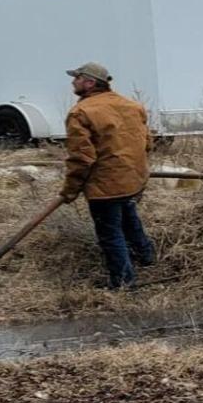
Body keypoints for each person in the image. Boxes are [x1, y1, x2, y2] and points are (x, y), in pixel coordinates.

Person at [59, 62, 155, 290]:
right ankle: (147, 257)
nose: (73, 81)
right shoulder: (132, 106)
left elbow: (82, 159)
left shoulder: (80, 113)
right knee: (129, 219)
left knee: (110, 234)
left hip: (105, 187)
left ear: (90, 83)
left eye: (77, 77)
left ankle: (123, 283)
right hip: (134, 180)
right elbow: (147, 143)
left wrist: (69, 190)